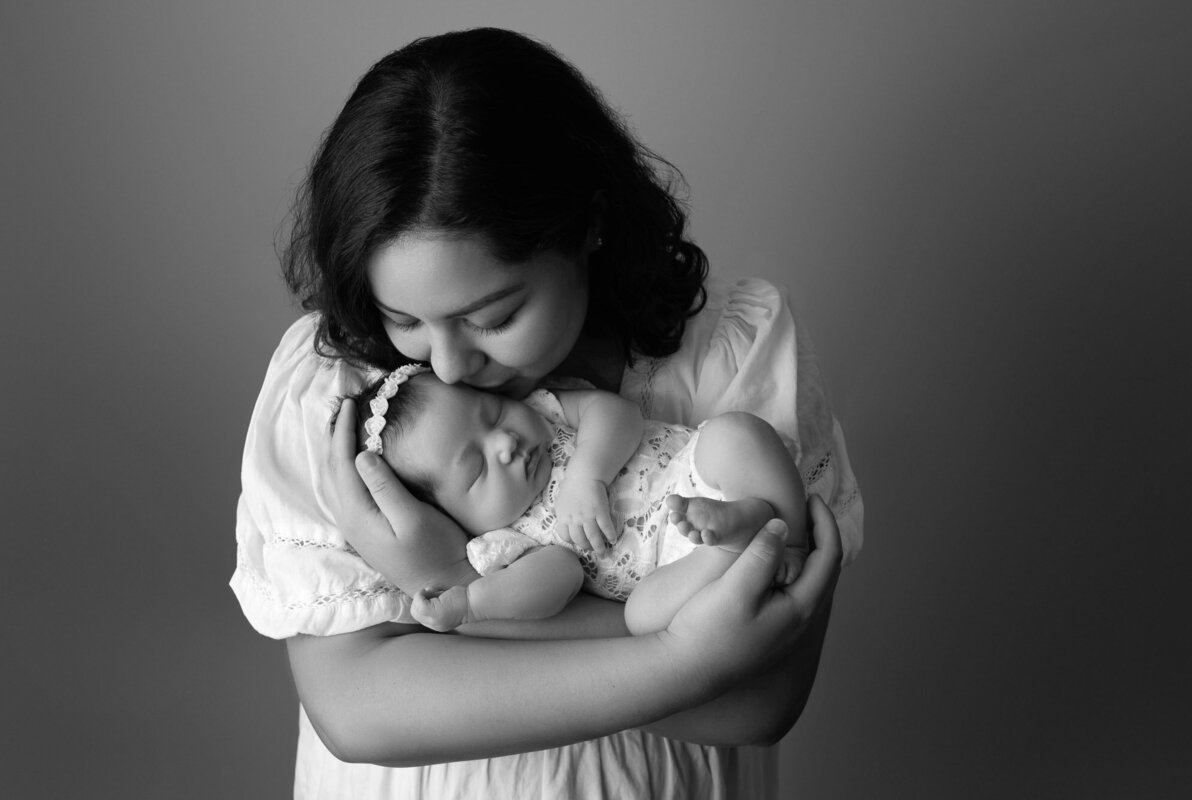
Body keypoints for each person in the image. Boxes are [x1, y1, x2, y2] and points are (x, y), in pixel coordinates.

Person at [231, 27, 862, 799]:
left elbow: (756, 702)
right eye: (405, 320)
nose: (448, 366)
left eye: (493, 317)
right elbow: (360, 707)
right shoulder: (341, 397)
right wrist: (685, 656)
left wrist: (444, 582)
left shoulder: (732, 352)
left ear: (589, 223)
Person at [347, 366, 810, 633]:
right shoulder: (504, 540)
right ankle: (733, 543)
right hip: (672, 568)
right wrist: (473, 603)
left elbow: (619, 413)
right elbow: (560, 577)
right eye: (477, 469)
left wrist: (588, 474)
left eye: (493, 413)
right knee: (642, 619)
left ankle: (788, 538)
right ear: (452, 516)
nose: (505, 443)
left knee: (735, 433)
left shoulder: (545, 411)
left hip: (694, 470)